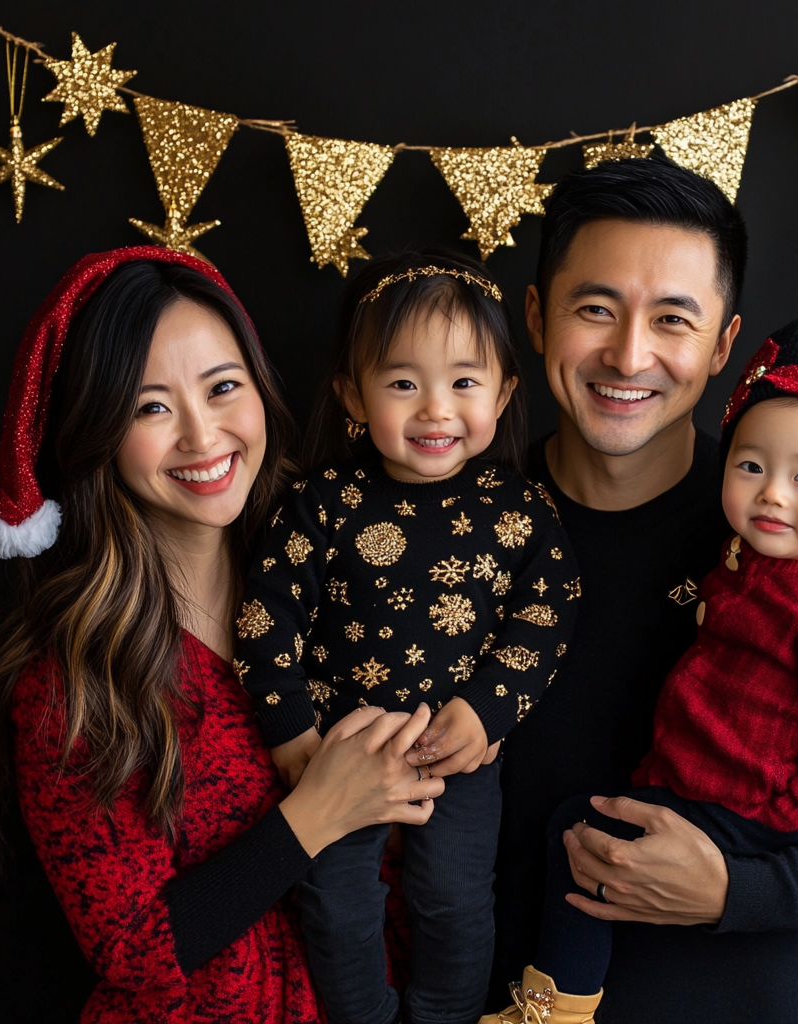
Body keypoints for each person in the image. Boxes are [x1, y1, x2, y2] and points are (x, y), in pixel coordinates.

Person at [490, 159, 798, 1023]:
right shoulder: (459, 529)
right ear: (535, 317)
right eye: (595, 309)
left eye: (673, 319)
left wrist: (739, 891)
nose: (629, 355)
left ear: (721, 346)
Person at [0, 247, 444, 1024]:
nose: (202, 434)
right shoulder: (73, 682)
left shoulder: (343, 588)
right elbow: (133, 954)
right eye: (151, 407)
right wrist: (314, 816)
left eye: (223, 388)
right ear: (100, 431)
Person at [235, 250, 579, 1024]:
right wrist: (290, 730)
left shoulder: (520, 510)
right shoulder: (322, 504)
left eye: (464, 381)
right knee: (333, 897)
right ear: (353, 395)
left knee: (453, 899)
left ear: (504, 392)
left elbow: (548, 614)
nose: (435, 409)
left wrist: (489, 711)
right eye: (402, 383)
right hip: (341, 752)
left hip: (456, 750)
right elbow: (265, 621)